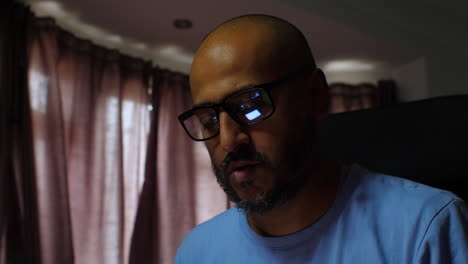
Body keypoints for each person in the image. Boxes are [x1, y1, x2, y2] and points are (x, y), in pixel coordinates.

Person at [174, 14, 468, 263]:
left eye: (251, 106)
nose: (227, 140)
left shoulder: (424, 228)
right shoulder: (197, 251)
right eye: (209, 120)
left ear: (315, 97)